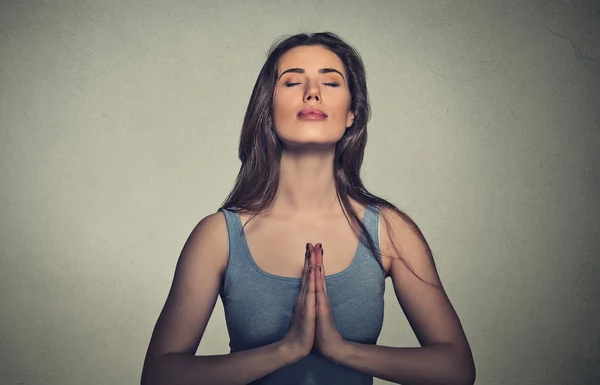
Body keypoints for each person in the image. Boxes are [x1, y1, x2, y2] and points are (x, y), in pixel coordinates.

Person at [140, 32, 476, 385]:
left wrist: (341, 349)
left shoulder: (390, 232)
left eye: (331, 82)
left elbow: (456, 370)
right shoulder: (218, 236)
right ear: (267, 110)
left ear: (351, 114)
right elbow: (160, 376)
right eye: (293, 81)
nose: (312, 92)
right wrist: (285, 350)